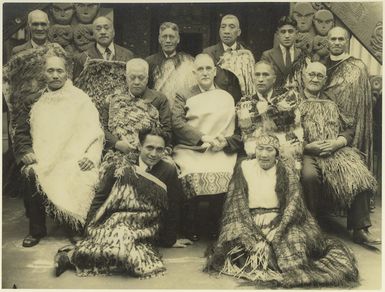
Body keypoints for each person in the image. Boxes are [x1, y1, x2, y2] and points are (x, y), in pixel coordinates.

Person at [206, 134, 359, 288]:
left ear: (277, 153)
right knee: (237, 240)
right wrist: (252, 230)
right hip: (248, 219)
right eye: (260, 149)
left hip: (280, 220)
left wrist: (278, 230)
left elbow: (294, 206)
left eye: (269, 150)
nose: (264, 154)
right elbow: (236, 204)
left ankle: (282, 269)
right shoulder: (244, 168)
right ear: (255, 150)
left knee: (295, 243)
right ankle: (261, 263)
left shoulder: (286, 171)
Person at [54, 127, 192, 277]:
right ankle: (69, 257)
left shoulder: (168, 170)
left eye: (159, 149)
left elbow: (173, 205)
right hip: (115, 218)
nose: (153, 154)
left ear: (165, 150)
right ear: (139, 146)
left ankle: (71, 257)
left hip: (146, 223)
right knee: (117, 239)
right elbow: (101, 197)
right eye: (149, 147)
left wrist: (169, 239)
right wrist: (89, 227)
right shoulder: (120, 164)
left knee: (130, 255)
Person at [13, 55, 104, 247]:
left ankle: (73, 225)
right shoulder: (33, 100)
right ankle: (36, 230)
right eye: (50, 71)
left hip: (73, 155)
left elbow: (95, 132)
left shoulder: (80, 99)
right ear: (43, 73)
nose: (55, 75)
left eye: (59, 71)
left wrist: (91, 155)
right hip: (43, 155)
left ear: (67, 73)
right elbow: (21, 132)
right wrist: (26, 150)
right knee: (30, 172)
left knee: (79, 172)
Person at [299, 61, 379, 245]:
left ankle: (360, 229)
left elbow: (349, 127)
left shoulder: (333, 98)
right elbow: (285, 131)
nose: (315, 78)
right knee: (309, 176)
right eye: (311, 74)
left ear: (325, 79)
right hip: (306, 151)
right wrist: (306, 146)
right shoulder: (292, 99)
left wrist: (338, 142)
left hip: (335, 151)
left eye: (320, 75)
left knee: (361, 176)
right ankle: (312, 225)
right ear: (304, 77)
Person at [172, 54, 242, 241]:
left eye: (208, 68)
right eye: (200, 69)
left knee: (224, 171)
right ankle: (190, 225)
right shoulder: (184, 94)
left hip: (220, 149)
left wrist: (224, 141)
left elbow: (237, 129)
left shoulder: (227, 97)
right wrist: (203, 137)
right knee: (191, 170)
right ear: (194, 73)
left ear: (214, 71)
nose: (204, 72)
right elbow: (177, 123)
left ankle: (213, 225)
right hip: (192, 149)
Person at [323, 26, 373, 170]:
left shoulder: (358, 67)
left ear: (347, 42)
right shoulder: (320, 65)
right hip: (326, 124)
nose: (337, 42)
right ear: (328, 42)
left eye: (341, 39)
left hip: (351, 128)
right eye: (333, 39)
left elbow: (363, 104)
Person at [236, 60, 302, 161]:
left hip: (287, 153)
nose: (260, 79)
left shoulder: (288, 97)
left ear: (274, 79)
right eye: (257, 75)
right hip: (257, 156)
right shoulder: (244, 104)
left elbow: (295, 129)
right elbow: (247, 135)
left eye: (265, 75)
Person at [104, 58, 172, 152]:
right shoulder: (113, 99)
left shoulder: (160, 99)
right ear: (126, 78)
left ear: (147, 79)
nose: (136, 82)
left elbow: (166, 131)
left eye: (141, 78)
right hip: (117, 151)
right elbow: (102, 128)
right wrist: (117, 143)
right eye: (132, 77)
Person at [145, 22, 196, 108]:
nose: (168, 40)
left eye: (171, 37)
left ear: (178, 39)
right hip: (157, 110)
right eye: (164, 37)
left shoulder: (188, 61)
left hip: (181, 109)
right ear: (159, 39)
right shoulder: (149, 62)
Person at [203, 14, 244, 102]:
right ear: (219, 31)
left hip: (239, 105)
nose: (226, 31)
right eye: (223, 27)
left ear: (239, 32)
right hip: (215, 103)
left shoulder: (245, 54)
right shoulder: (208, 53)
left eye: (231, 27)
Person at [261, 16, 301, 88]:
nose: (287, 36)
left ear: (296, 34)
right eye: (283, 32)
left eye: (290, 31)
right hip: (274, 97)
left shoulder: (302, 54)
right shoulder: (268, 56)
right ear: (278, 35)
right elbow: (263, 81)